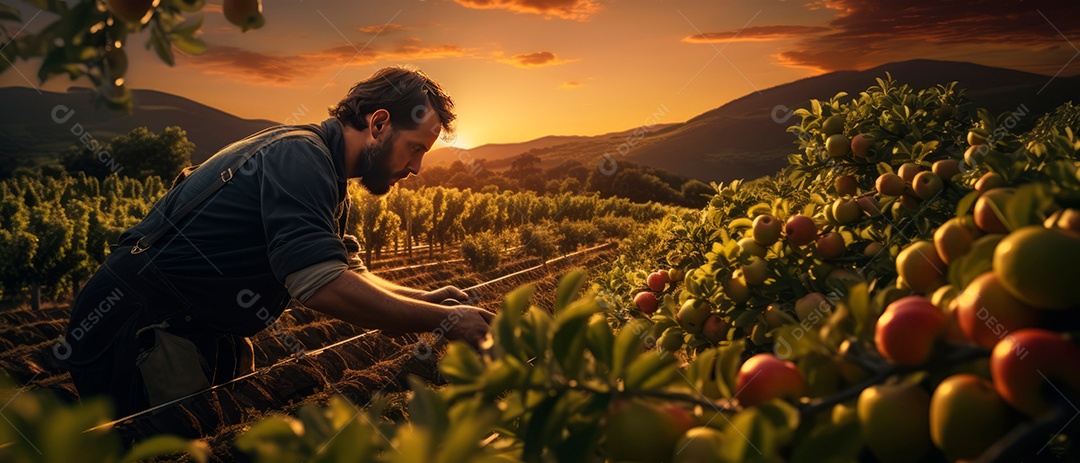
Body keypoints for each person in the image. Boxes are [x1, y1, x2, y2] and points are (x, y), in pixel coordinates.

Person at [61, 66, 494, 417]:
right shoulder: (300, 158)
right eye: (415, 148)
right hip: (139, 327)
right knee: (173, 446)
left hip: (192, 327)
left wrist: (429, 301)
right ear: (379, 123)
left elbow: (347, 270)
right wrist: (447, 321)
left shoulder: (325, 168)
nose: (417, 167)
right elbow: (318, 284)